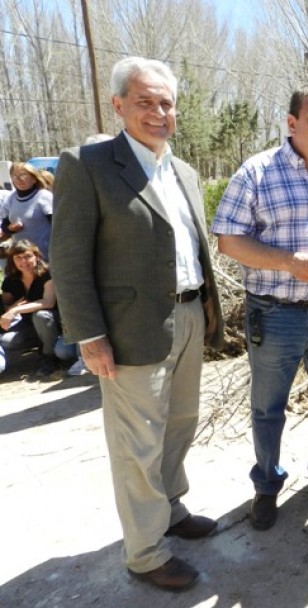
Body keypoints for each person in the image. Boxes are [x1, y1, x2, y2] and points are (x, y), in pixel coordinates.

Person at [50, 56, 224, 592]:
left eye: (166, 103)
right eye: (145, 101)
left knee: (179, 424)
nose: (157, 112)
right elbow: (69, 257)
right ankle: (146, 552)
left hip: (190, 314)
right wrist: (89, 335)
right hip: (128, 330)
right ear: (119, 105)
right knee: (137, 443)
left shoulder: (184, 171)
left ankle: (170, 508)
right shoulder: (88, 164)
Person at [212, 85, 308, 531]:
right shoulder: (257, 172)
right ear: (291, 123)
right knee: (268, 408)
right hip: (275, 313)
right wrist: (286, 261)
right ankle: (266, 485)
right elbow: (228, 239)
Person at [0, 239, 60, 376]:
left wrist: (16, 309)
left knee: (41, 316)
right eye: (18, 258)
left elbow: (48, 302)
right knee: (6, 341)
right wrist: (11, 307)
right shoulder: (11, 280)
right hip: (28, 324)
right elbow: (4, 306)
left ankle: (49, 357)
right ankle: (41, 346)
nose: (24, 262)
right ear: (12, 260)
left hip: (53, 321)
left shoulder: (47, 273)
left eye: (28, 256)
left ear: (37, 256)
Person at [0, 162, 53, 260]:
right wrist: (10, 228)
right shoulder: (10, 198)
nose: (18, 179)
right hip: (22, 257)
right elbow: (5, 226)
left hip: (44, 255)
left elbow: (57, 225)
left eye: (23, 175)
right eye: (14, 176)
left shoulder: (44, 196)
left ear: (33, 178)